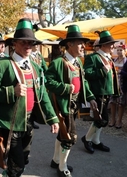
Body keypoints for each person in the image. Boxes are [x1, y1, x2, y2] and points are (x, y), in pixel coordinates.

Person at [0, 18, 59, 177]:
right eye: (24, 42)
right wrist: (12, 91)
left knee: (23, 160)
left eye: (31, 43)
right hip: (9, 123)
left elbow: (42, 94)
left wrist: (52, 117)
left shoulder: (35, 67)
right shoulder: (2, 64)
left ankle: (10, 172)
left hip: (28, 122)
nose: (28, 46)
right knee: (18, 164)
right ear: (14, 43)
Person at [45, 25, 97, 177]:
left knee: (63, 134)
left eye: (83, 43)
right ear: (69, 44)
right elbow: (47, 81)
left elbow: (84, 81)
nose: (83, 46)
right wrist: (65, 88)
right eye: (80, 43)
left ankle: (56, 160)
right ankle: (62, 168)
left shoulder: (78, 62)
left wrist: (91, 97)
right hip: (64, 105)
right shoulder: (58, 62)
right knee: (69, 137)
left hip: (75, 104)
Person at [81, 30, 120, 154]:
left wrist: (115, 91)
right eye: (110, 44)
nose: (113, 46)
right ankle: (87, 139)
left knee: (100, 118)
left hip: (107, 92)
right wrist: (102, 70)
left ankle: (96, 140)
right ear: (103, 45)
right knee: (102, 119)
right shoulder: (93, 57)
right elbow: (86, 74)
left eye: (113, 44)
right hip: (98, 92)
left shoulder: (108, 57)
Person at [108, 43, 127, 129]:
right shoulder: (114, 60)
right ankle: (112, 119)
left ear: (125, 51)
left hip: (122, 86)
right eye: (117, 50)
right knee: (112, 103)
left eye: (121, 50)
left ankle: (119, 120)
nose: (119, 51)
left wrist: (120, 72)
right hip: (114, 85)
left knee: (121, 104)